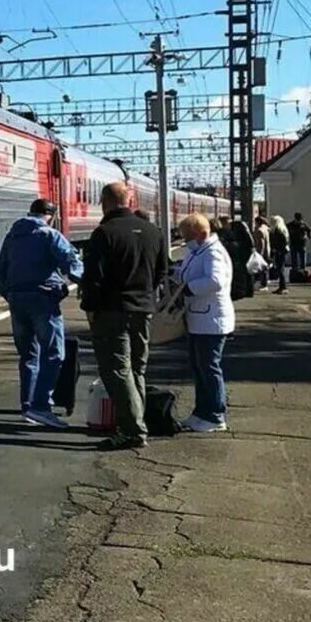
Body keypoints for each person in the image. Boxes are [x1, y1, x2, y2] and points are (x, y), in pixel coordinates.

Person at [79, 182, 166, 451]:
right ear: (130, 200)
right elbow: (163, 272)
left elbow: (94, 278)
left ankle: (132, 430)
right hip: (144, 309)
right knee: (137, 368)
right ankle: (135, 423)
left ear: (105, 202)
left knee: (117, 370)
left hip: (111, 311)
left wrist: (90, 309)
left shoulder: (103, 234)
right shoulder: (154, 232)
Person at [0, 198, 83, 429]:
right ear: (51, 216)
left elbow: (0, 271)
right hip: (43, 300)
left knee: (28, 355)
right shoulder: (50, 235)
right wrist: (86, 282)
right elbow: (72, 264)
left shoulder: (13, 235)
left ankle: (28, 405)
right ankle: (41, 406)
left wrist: (12, 296)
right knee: (54, 354)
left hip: (17, 300)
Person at [174, 213, 235, 432]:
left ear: (202, 233)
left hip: (211, 320)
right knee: (199, 368)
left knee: (209, 368)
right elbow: (187, 272)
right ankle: (201, 411)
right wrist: (176, 275)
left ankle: (215, 414)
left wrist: (188, 288)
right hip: (199, 318)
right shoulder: (197, 250)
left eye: (188, 236)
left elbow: (215, 281)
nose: (186, 240)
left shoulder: (214, 252)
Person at [225, 216, 257, 301]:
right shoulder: (244, 229)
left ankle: (244, 291)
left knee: (244, 273)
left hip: (242, 255)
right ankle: (249, 291)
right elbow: (251, 242)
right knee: (248, 273)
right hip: (246, 254)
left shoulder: (236, 229)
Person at [269, 215, 291, 294]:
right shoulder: (283, 230)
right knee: (280, 269)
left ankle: (283, 287)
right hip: (283, 252)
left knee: (280, 269)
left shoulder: (278, 231)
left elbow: (279, 243)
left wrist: (275, 250)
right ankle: (281, 287)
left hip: (280, 252)